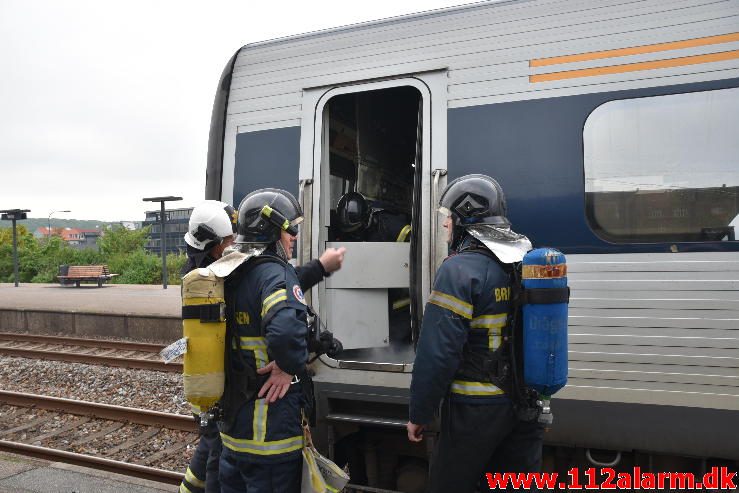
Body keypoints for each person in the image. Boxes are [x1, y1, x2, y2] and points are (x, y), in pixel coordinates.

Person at [180, 199, 344, 493]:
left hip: (232, 433)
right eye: (289, 230)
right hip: (269, 436)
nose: (293, 236)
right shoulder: (270, 272)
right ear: (272, 231)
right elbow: (283, 330)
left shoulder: (224, 275)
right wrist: (287, 366)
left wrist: (319, 268)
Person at [406, 174, 544, 493]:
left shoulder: (459, 270)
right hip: (525, 406)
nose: (446, 227)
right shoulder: (522, 263)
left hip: (475, 411)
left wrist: (420, 413)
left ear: (465, 219)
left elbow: (437, 354)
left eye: (448, 219)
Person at [180, 200, 238, 493]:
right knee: (217, 454)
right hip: (215, 391)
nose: (234, 243)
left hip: (203, 388)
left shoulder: (194, 273)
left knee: (210, 447)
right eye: (229, 239)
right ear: (215, 244)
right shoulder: (215, 279)